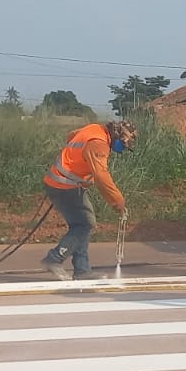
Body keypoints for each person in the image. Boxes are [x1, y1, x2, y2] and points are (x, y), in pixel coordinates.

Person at [40, 119, 136, 280]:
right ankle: (54, 258)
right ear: (117, 135)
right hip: (64, 186)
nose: (122, 149)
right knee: (85, 223)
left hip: (62, 182)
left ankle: (82, 270)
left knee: (81, 224)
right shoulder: (99, 144)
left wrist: (78, 167)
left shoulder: (95, 129)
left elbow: (71, 136)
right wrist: (118, 202)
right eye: (123, 144)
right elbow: (102, 176)